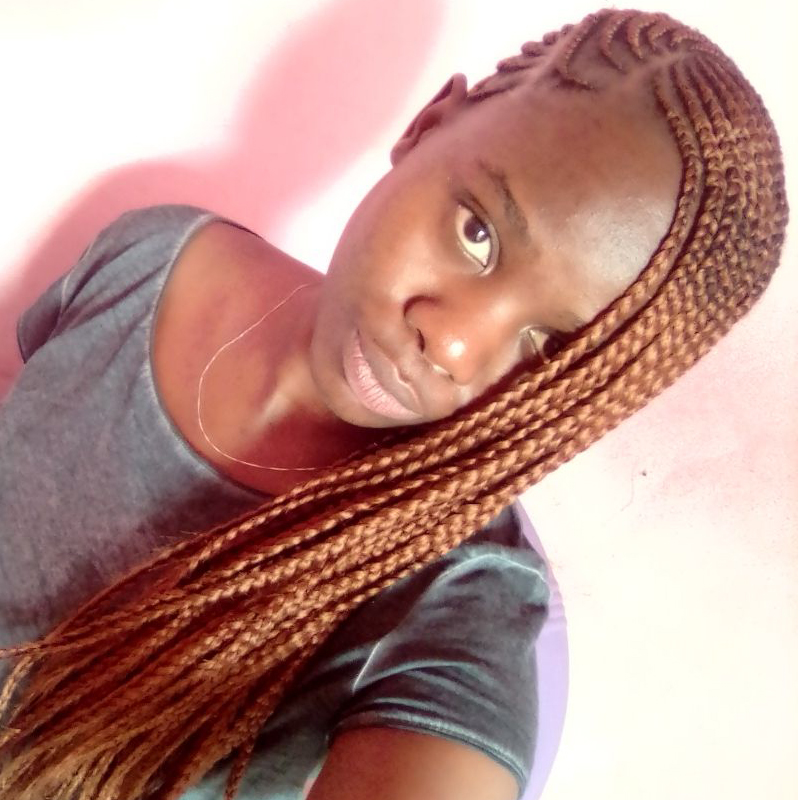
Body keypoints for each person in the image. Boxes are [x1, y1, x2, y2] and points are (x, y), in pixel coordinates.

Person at [0, 8, 787, 800]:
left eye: (547, 347)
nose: (453, 346)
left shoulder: (458, 602)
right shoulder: (149, 254)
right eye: (477, 233)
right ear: (428, 125)